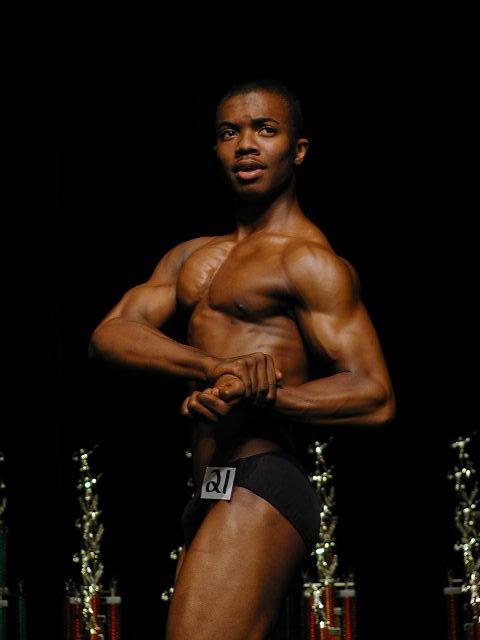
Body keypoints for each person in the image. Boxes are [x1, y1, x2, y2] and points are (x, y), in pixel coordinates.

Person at [89, 78, 395, 639]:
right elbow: (111, 334)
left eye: (265, 130)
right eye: (230, 132)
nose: (246, 144)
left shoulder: (308, 261)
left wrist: (268, 397)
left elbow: (374, 394)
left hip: (262, 477)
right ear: (216, 148)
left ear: (298, 150)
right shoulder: (191, 257)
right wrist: (212, 368)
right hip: (211, 484)